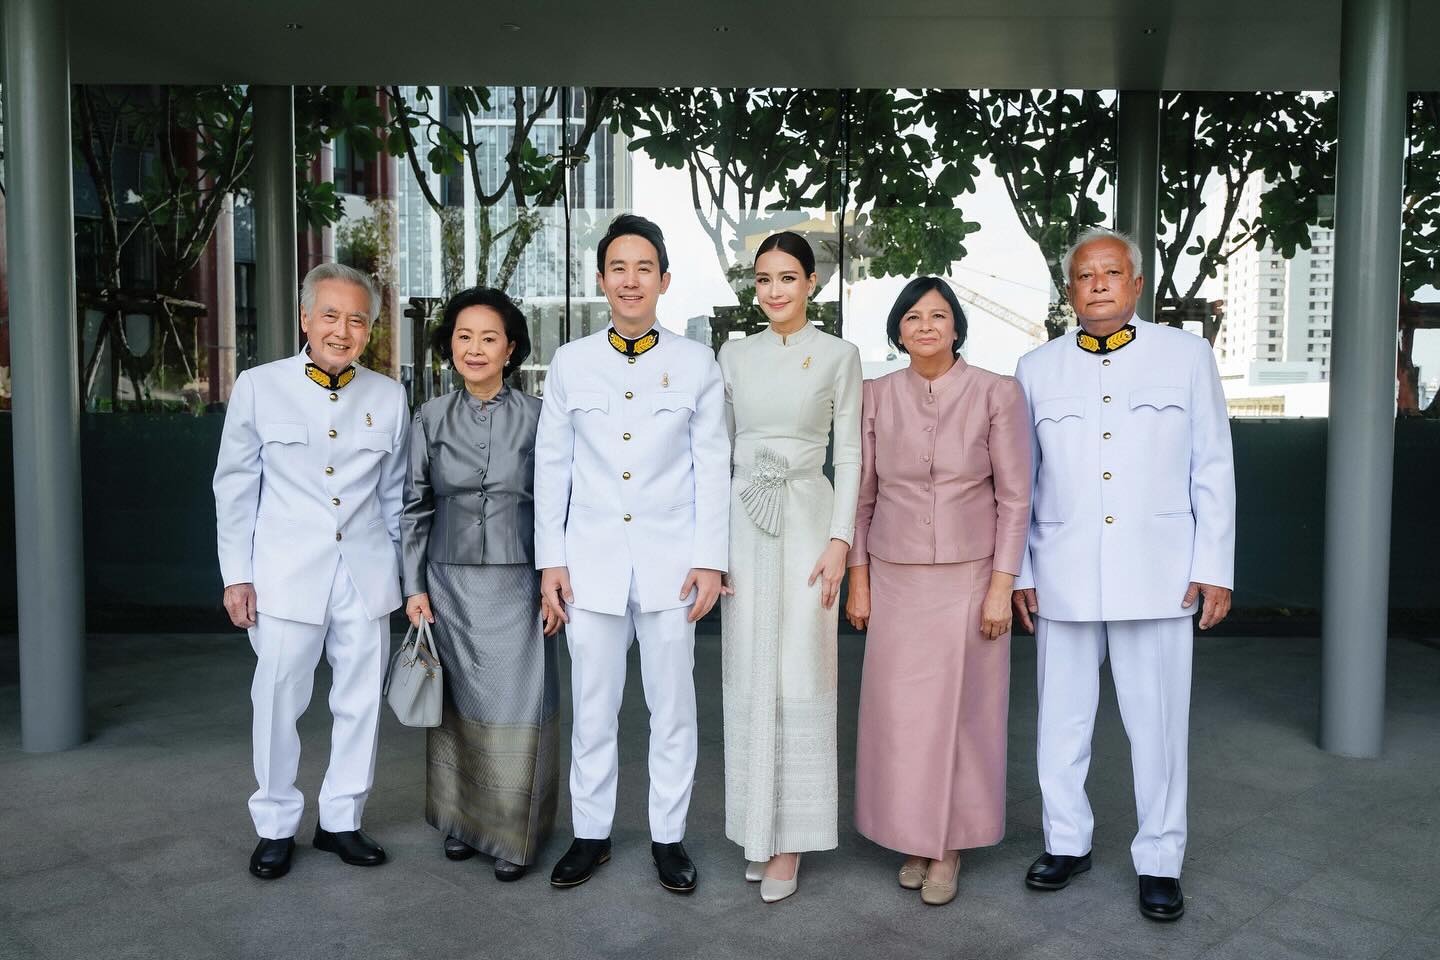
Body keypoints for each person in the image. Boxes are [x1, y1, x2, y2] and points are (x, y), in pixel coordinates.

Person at [1012, 227, 1235, 922]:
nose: (1099, 284)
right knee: (1061, 721)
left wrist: (1214, 567)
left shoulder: (1186, 356)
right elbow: (1021, 480)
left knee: (1159, 725)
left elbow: (1213, 467)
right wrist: (1019, 569)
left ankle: (1160, 858)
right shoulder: (1035, 368)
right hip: (1063, 570)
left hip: (1160, 573)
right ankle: (1066, 841)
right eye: (1085, 275)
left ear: (1137, 285)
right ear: (1070, 289)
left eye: (1113, 272)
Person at [534, 213, 730, 894]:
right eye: (618, 267)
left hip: (672, 565)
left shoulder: (696, 363)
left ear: (664, 280)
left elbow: (712, 466)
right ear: (600, 279)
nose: (630, 279)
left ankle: (668, 837)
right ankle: (591, 834)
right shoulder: (570, 363)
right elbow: (551, 467)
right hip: (589, 565)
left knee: (673, 707)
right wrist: (550, 562)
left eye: (644, 267)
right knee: (593, 706)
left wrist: (711, 559)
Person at [214, 262, 409, 880]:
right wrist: (235, 575)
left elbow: (395, 498)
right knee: (277, 701)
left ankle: (341, 820)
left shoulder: (389, 395)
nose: (342, 329)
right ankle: (274, 824)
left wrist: (405, 583)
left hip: (366, 574)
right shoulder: (259, 386)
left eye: (357, 319)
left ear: (370, 328)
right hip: (284, 576)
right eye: (330, 314)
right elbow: (235, 488)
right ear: (305, 318)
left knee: (360, 704)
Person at [844, 278, 1031, 906]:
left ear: (956, 328)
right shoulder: (874, 397)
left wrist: (1003, 584)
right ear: (898, 330)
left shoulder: (996, 393)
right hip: (894, 577)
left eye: (939, 316)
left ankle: (948, 847)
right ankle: (912, 837)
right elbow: (862, 499)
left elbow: (1015, 497)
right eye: (913, 317)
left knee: (962, 716)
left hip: (971, 574)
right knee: (901, 718)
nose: (926, 326)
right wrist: (860, 582)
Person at [718, 231, 862, 904]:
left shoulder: (839, 354)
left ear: (812, 282)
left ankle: (793, 842)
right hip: (743, 523)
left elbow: (854, 454)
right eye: (764, 279)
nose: (775, 290)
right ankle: (757, 831)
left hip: (808, 519)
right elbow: (714, 451)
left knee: (801, 669)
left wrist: (840, 541)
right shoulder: (733, 355)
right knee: (749, 666)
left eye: (788, 277)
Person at [400, 286, 561, 882]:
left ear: (510, 347)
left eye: (488, 337)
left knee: (520, 704)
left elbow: (557, 504)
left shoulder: (543, 417)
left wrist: (553, 579)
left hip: (522, 582)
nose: (475, 348)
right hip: (447, 583)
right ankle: (463, 824)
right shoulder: (430, 417)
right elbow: (413, 506)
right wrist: (413, 587)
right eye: (464, 337)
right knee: (459, 706)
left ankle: (513, 837)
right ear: (449, 347)